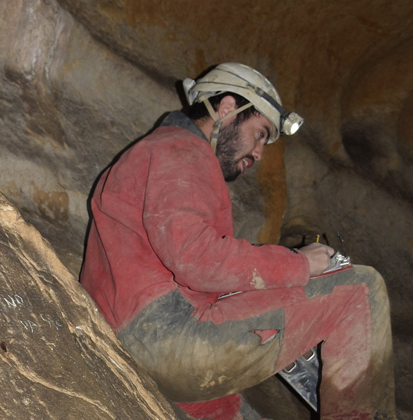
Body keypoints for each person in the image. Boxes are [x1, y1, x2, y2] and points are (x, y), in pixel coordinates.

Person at [80, 63, 396, 420]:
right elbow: (197, 258)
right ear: (227, 108)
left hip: (139, 343)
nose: (260, 153)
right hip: (165, 336)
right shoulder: (180, 149)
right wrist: (301, 263)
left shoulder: (158, 155)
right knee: (359, 290)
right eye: (260, 133)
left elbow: (194, 277)